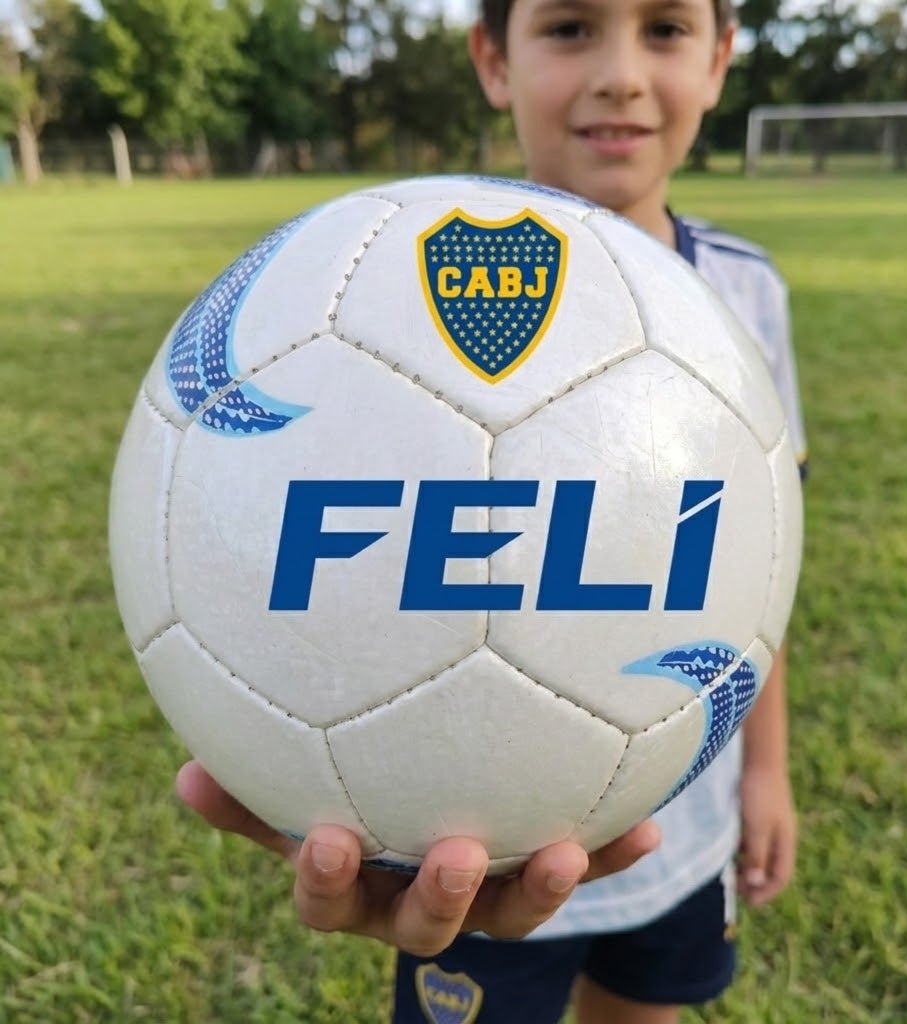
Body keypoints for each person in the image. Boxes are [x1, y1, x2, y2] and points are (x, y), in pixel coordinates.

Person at [178, 0, 808, 1018]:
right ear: (491, 58)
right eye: (568, 28)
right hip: (459, 846)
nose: (619, 73)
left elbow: (757, 566)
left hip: (683, 829)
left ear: (721, 56)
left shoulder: (742, 293)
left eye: (664, 29)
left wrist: (764, 771)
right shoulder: (374, 301)